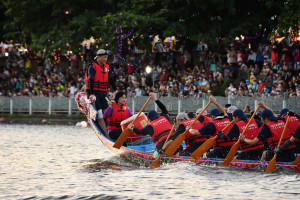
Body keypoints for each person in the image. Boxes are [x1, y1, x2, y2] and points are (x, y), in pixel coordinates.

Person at [85, 49, 110, 137]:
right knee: (99, 114)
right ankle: (106, 134)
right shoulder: (92, 67)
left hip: (103, 92)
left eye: (106, 57)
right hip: (94, 92)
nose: (105, 59)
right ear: (98, 57)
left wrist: (116, 89)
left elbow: (110, 79)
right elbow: (91, 80)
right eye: (104, 57)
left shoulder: (106, 67)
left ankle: (109, 129)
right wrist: (91, 94)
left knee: (106, 111)